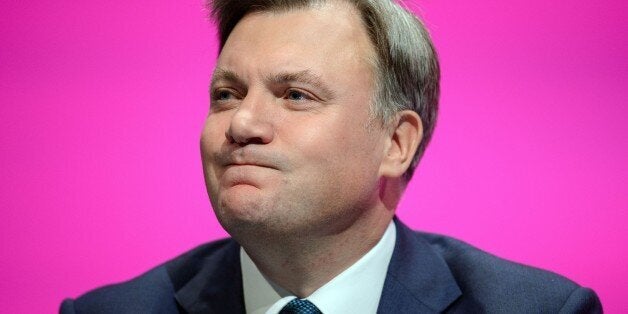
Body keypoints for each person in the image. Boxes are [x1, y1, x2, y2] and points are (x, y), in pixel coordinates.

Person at [60, 0, 602, 313]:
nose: (242, 124)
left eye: (296, 95)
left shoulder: (536, 311)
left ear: (396, 143)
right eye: (227, 94)